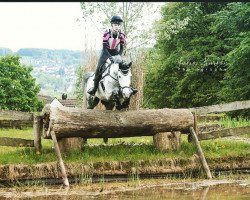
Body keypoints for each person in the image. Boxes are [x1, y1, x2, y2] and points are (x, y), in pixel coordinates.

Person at [87, 15, 126, 96]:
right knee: (99, 68)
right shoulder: (106, 33)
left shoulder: (122, 35)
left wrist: (118, 57)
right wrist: (110, 58)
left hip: (115, 52)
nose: (117, 27)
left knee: (124, 66)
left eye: (118, 25)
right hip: (105, 53)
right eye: (115, 25)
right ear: (112, 25)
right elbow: (105, 48)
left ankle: (127, 87)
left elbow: (121, 48)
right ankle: (94, 88)